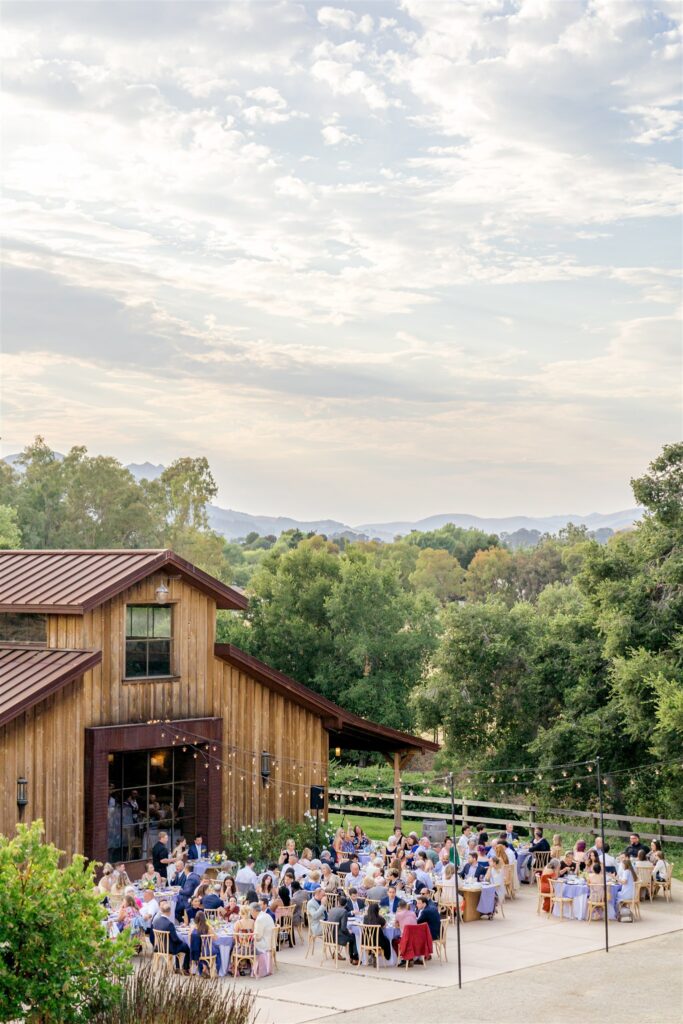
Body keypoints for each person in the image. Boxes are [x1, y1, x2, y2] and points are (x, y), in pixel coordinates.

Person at [152, 900, 190, 972]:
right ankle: (185, 968)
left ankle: (178, 967)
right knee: (186, 947)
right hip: (169, 948)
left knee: (180, 945)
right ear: (169, 912)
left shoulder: (156, 921)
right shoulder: (169, 924)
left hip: (159, 946)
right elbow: (175, 939)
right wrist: (181, 941)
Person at [327, 895, 359, 964]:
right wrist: (349, 932)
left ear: (338, 903)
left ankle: (337, 953)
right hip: (337, 937)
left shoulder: (331, 909)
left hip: (328, 935)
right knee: (353, 936)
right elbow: (343, 929)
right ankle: (354, 958)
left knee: (351, 935)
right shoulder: (343, 911)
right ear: (346, 904)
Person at [189, 910, 220, 975]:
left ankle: (203, 966)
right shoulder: (207, 927)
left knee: (204, 949)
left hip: (195, 951)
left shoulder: (192, 927)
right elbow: (216, 938)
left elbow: (190, 940)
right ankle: (215, 970)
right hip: (206, 951)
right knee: (217, 950)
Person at [363, 900, 391, 965]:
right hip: (378, 942)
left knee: (378, 938)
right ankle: (382, 956)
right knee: (386, 940)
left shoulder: (365, 918)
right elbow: (384, 926)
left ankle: (373, 954)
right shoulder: (379, 918)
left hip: (366, 941)